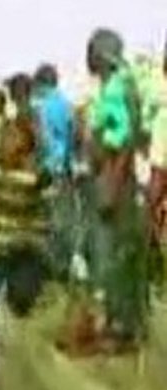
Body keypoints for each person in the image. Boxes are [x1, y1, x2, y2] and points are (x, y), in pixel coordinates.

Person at [85, 28, 149, 352]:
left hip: (116, 180)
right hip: (113, 176)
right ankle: (122, 323)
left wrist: (110, 187)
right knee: (117, 253)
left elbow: (122, 142)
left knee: (116, 255)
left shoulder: (117, 87)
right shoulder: (121, 84)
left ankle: (122, 329)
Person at [0, 119, 51, 388]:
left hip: (22, 251)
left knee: (20, 300)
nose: (9, 144)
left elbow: (44, 217)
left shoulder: (37, 178)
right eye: (6, 138)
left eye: (16, 139)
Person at [32, 63, 77, 283]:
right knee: (66, 220)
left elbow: (41, 140)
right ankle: (64, 266)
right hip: (66, 168)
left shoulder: (40, 106)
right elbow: (72, 137)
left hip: (49, 168)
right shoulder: (66, 105)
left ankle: (54, 269)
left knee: (50, 220)